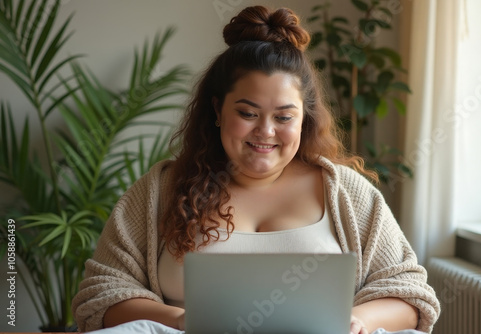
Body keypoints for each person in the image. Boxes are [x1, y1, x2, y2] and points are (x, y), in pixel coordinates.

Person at [72, 5, 440, 334]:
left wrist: (360, 320)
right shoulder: (161, 190)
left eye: (284, 117)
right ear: (217, 111)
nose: (265, 132)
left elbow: (410, 294)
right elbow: (101, 295)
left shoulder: (345, 192)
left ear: (304, 121)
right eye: (247, 114)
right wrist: (179, 320)